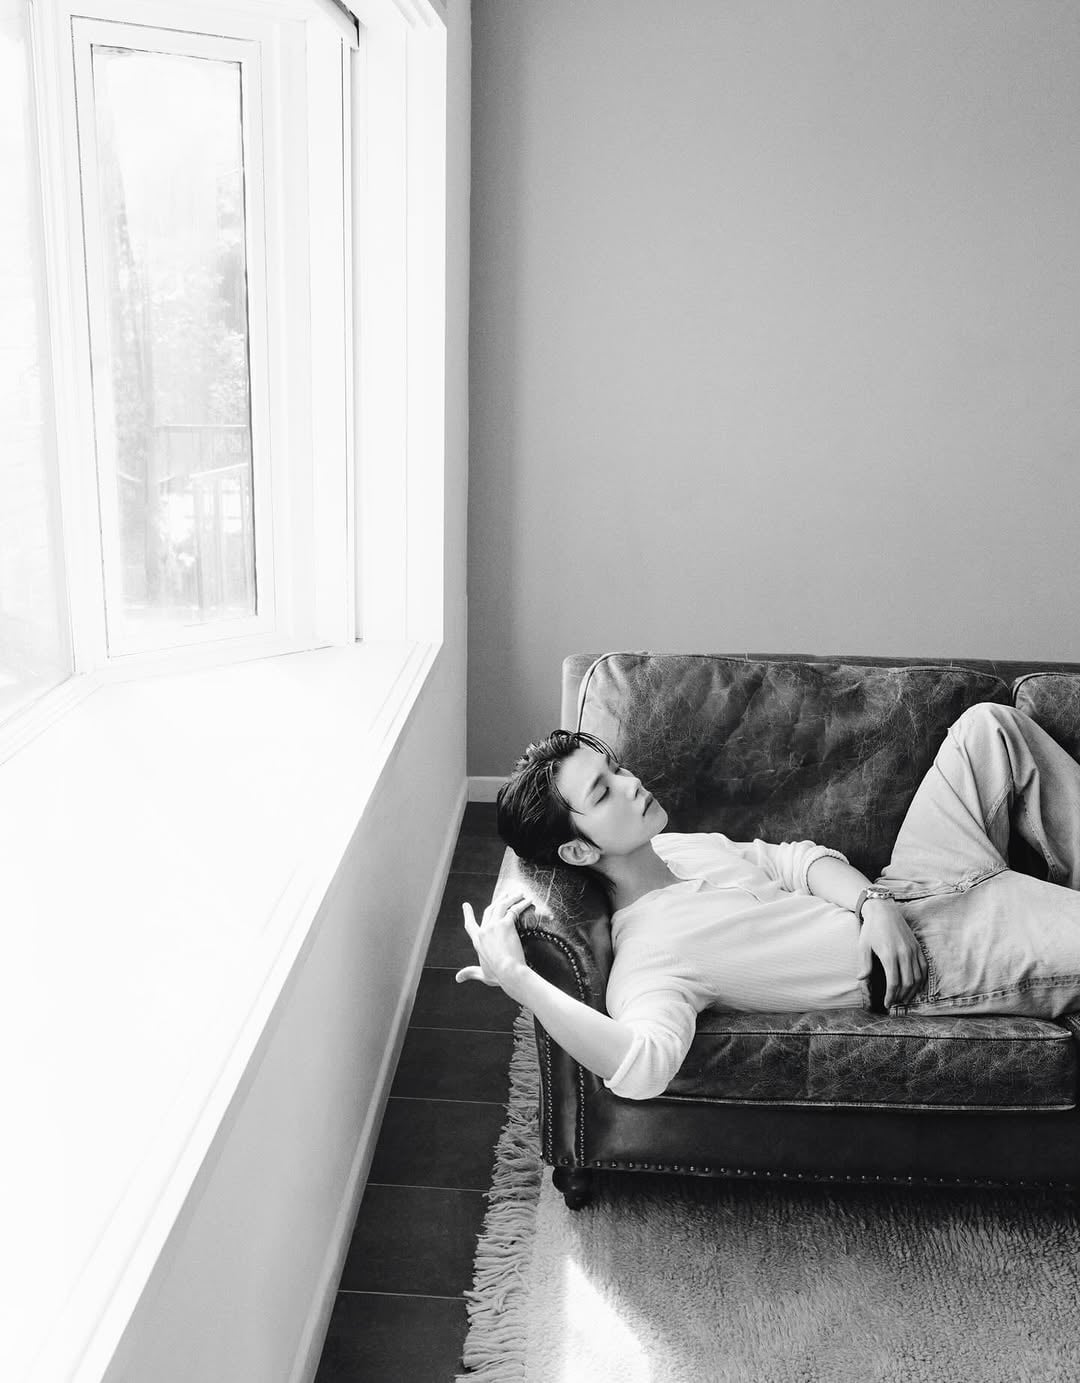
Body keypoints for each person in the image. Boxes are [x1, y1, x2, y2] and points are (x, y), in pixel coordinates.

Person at [455, 702, 1080, 1100]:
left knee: (987, 728)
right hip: (942, 960)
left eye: (615, 768)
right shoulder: (650, 958)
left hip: (905, 888)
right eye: (603, 791)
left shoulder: (675, 846)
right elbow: (639, 1068)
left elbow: (794, 859)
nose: (631, 783)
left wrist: (874, 905)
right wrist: (520, 981)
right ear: (578, 851)